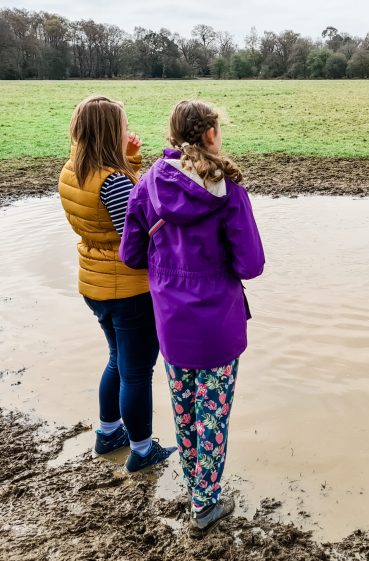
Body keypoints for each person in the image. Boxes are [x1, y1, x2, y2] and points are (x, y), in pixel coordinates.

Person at [120, 99, 265, 533]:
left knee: (184, 409)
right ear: (210, 135)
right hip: (218, 323)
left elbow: (131, 254)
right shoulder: (230, 192)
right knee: (213, 414)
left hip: (171, 320)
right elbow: (251, 265)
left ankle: (194, 487)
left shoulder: (147, 184)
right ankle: (205, 502)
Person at [58, 95, 176, 472]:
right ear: (111, 132)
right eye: (123, 125)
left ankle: (109, 433)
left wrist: (132, 162)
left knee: (117, 360)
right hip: (128, 287)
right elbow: (137, 229)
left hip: (93, 280)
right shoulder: (112, 180)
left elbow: (105, 218)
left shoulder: (72, 170)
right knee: (137, 371)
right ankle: (142, 451)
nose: (129, 130)